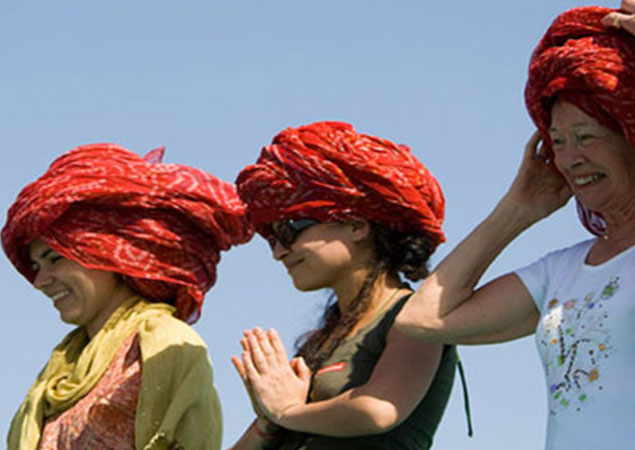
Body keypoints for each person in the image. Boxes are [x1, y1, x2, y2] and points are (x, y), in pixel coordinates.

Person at [395, 6, 635, 449]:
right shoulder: (561, 270)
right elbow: (424, 317)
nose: (570, 158)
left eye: (586, 136)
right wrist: (518, 209)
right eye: (557, 142)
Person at [2, 144, 253, 450]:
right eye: (37, 266)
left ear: (104, 251)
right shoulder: (62, 368)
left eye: (55, 258)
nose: (40, 281)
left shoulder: (163, 344)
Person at [228, 121, 458, 450]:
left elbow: (379, 409)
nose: (279, 252)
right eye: (272, 239)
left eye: (290, 230)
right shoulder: (324, 340)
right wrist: (267, 421)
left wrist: (287, 411)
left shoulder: (413, 315)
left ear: (356, 225)